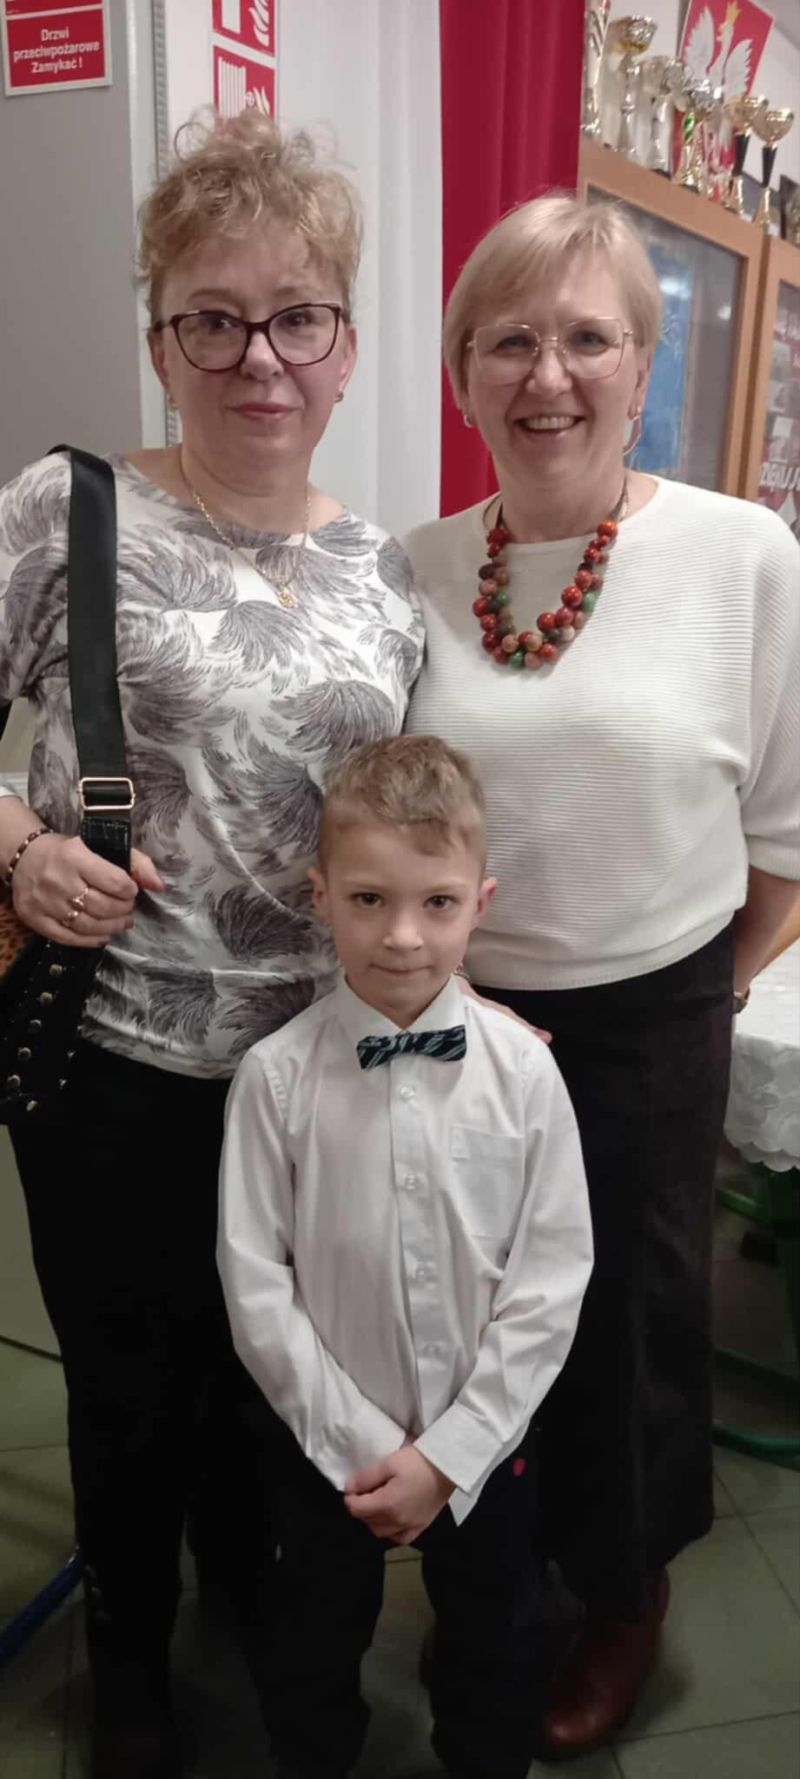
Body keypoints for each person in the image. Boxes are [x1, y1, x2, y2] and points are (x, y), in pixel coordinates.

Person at [0, 113, 422, 1779]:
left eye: (297, 316)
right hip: (115, 1063)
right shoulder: (69, 509)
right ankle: (131, 1671)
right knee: (131, 1390)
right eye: (215, 317)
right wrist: (24, 844)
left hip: (319, 1079)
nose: (260, 356)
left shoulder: (384, 574)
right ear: (161, 336)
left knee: (278, 1380)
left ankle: (248, 1606)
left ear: (347, 344)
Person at [404, 193, 800, 1758]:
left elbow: (787, 832)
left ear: (644, 365)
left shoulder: (742, 553)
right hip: (456, 1014)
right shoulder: (415, 567)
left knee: (630, 1320)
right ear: (464, 374)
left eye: (588, 337)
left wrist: (701, 991)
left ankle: (622, 1589)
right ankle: (493, 1562)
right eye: (511, 340)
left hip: (654, 1011)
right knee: (469, 1305)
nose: (549, 374)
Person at [218, 734, 593, 1779]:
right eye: (369, 899)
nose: (402, 936)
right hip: (322, 1447)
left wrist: (449, 1454)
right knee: (308, 1642)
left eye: (436, 903)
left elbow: (552, 1276)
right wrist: (357, 1444)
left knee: (497, 1637)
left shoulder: (526, 1074)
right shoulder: (274, 1079)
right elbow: (255, 1285)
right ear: (321, 896)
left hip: (487, 1441)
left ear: (480, 902)